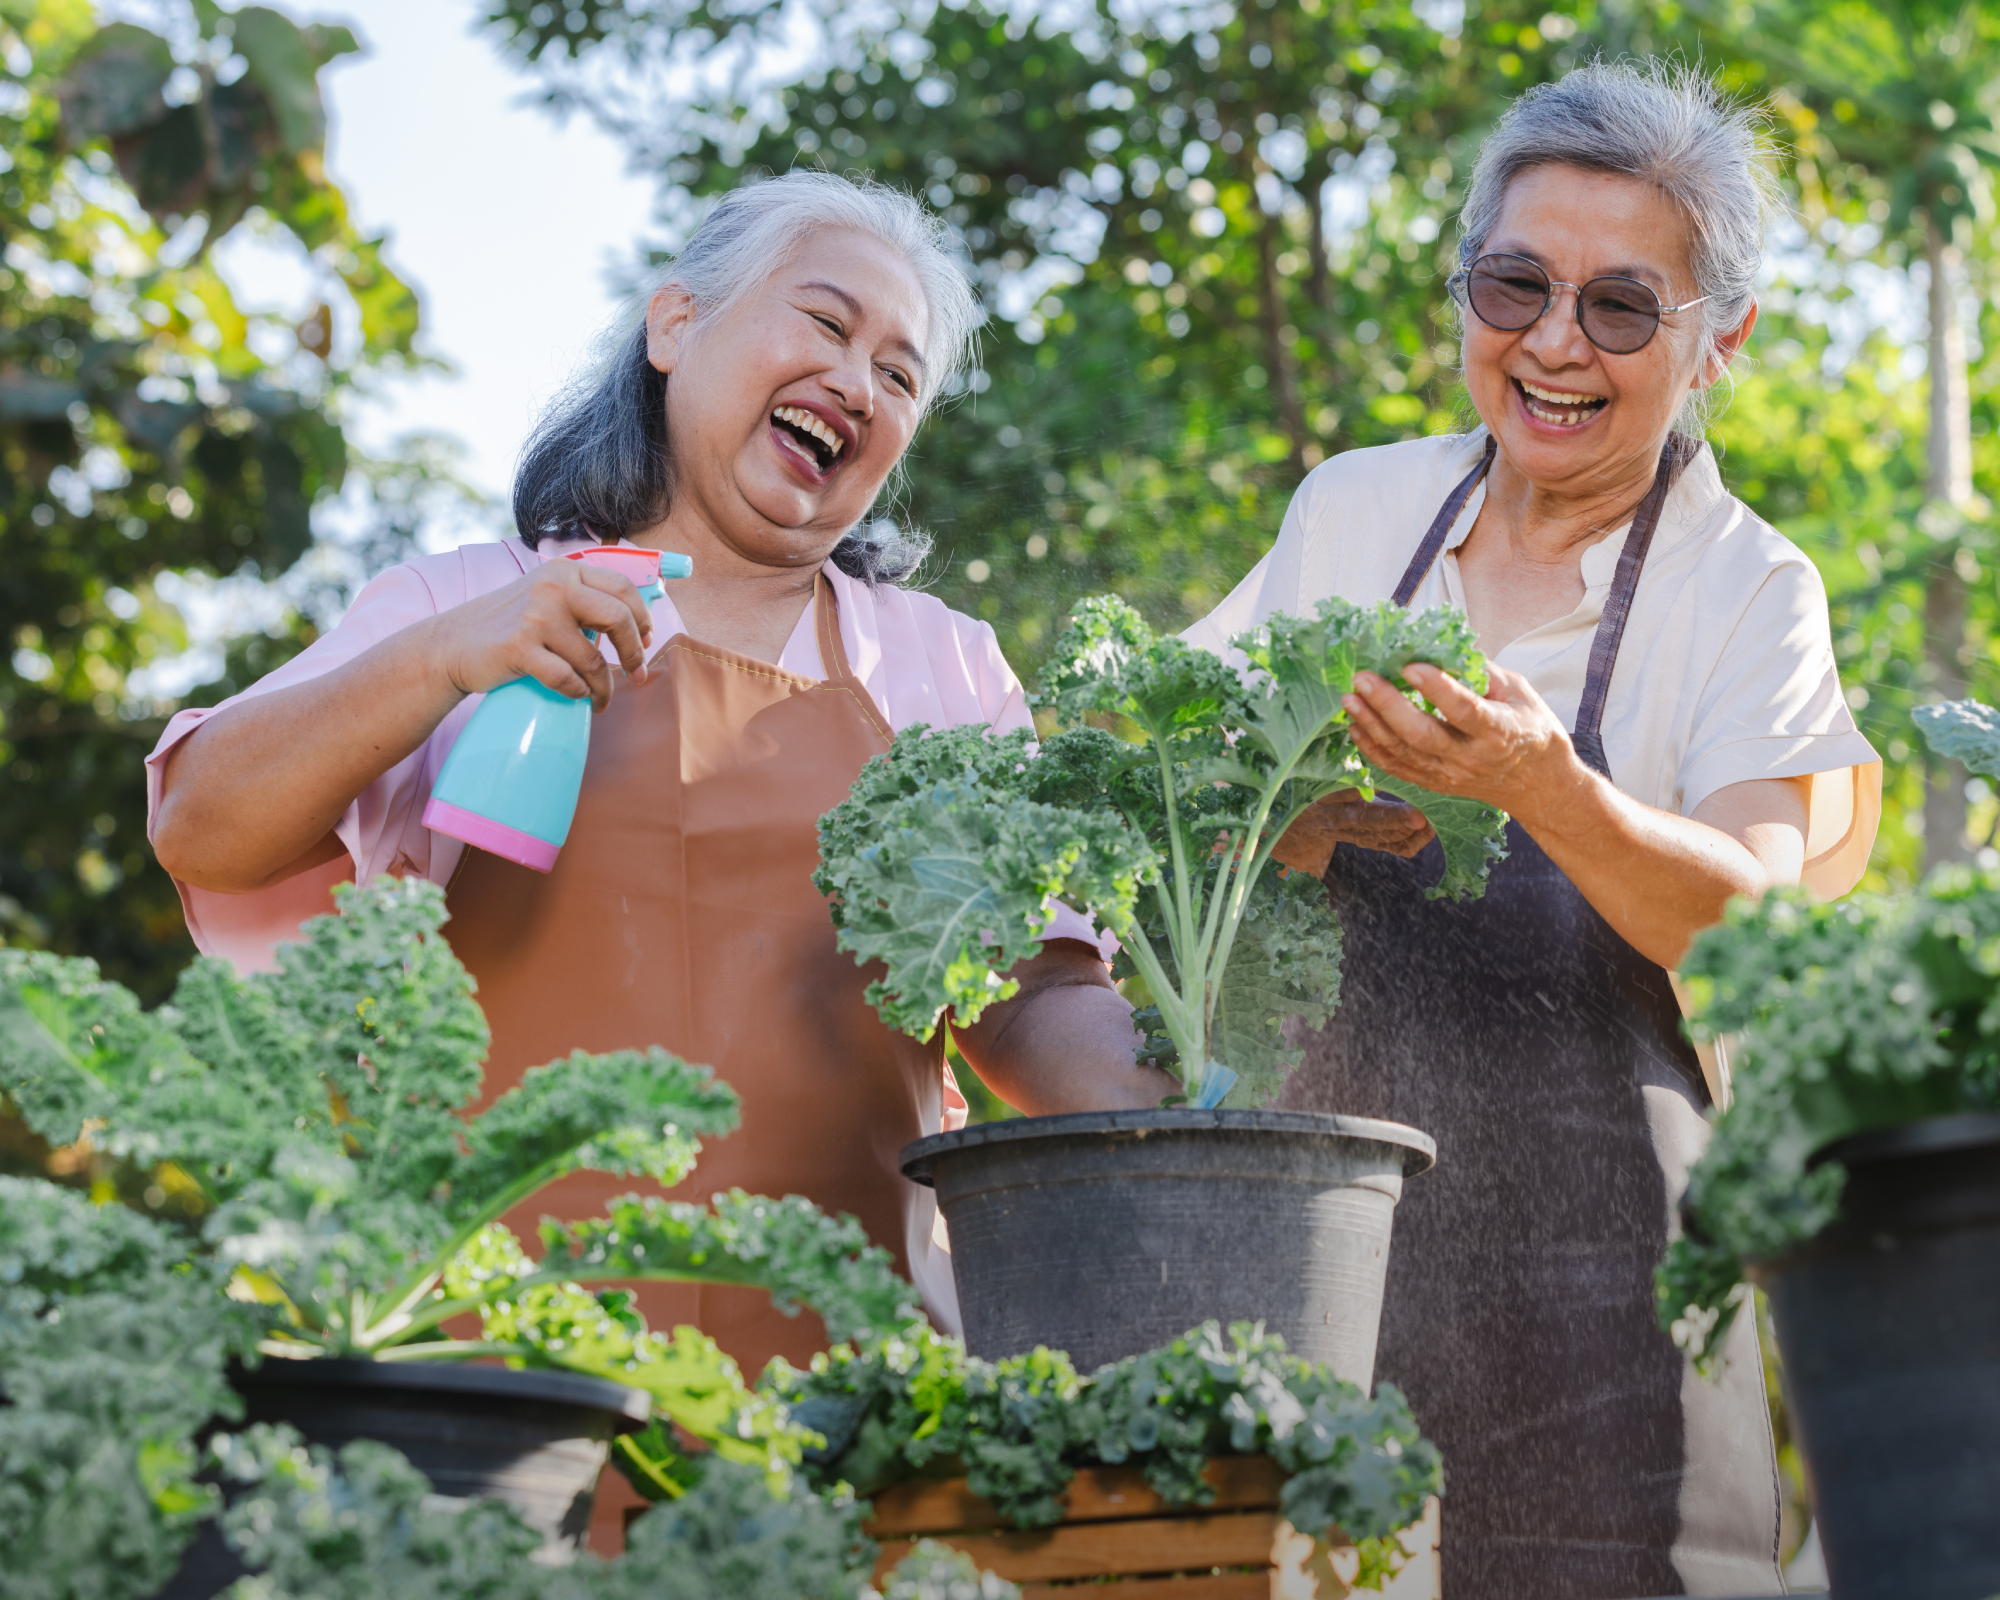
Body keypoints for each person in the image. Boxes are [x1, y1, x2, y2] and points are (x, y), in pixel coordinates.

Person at [149, 171, 1175, 1384]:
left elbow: (1030, 1006)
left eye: (899, 377)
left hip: (847, 1385)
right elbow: (205, 827)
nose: (857, 382)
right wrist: (438, 657)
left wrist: (1219, 1077)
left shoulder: (940, 666)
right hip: (491, 1380)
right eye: (826, 325)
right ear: (675, 326)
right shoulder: (459, 606)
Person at [1184, 63, 1879, 1600]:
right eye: (1516, 283)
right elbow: (1172, 811)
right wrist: (1286, 825)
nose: (1555, 343)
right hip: (1318, 1279)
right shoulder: (1356, 515)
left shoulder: (1749, 591)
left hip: (1613, 1333)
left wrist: (1540, 787)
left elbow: (1754, 929)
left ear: (1719, 345)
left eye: (1624, 307)